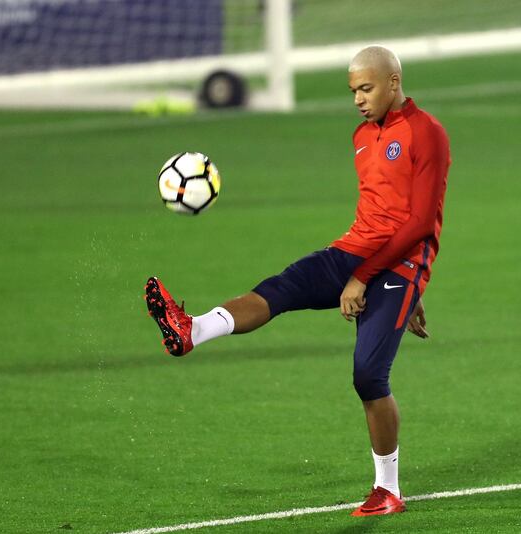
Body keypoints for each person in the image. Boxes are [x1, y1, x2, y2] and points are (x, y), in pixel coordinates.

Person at [145, 45, 450, 516]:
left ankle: (387, 489)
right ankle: (192, 330)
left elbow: (418, 223)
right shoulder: (361, 137)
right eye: (353, 91)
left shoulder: (425, 132)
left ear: (393, 82)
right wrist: (358, 271)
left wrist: (369, 280)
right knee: (281, 288)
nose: (358, 99)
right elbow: (376, 214)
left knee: (368, 375)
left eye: (366, 88)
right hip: (353, 252)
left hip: (399, 265)